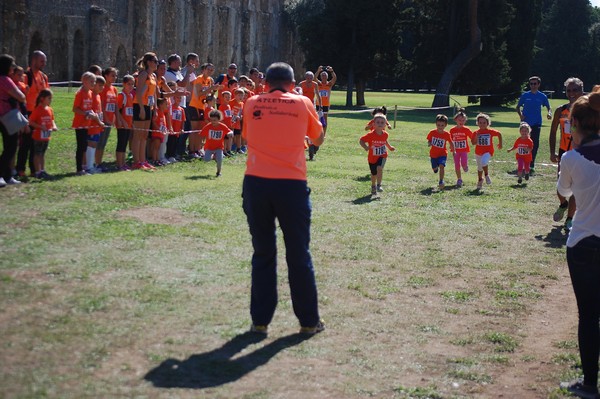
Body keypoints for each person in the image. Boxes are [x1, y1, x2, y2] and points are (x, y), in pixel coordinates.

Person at [241, 62, 325, 335]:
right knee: (298, 253)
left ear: (265, 83)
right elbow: (318, 139)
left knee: (263, 252)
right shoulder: (303, 102)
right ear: (292, 83)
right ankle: (309, 322)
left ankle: (261, 321)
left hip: (257, 183)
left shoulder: (252, 102)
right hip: (292, 185)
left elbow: (246, 135)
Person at [556, 91, 600, 399]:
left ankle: (589, 384)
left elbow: (565, 192)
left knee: (589, 315)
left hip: (584, 242)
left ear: (576, 124)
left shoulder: (572, 158)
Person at [549, 77, 584, 231]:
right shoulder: (560, 110)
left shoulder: (588, 110)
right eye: (568, 90)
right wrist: (552, 152)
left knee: (576, 187)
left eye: (575, 90)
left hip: (581, 153)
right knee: (560, 186)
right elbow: (552, 132)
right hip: (564, 152)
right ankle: (563, 204)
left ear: (581, 90)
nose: (571, 93)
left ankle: (570, 219)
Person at [17, 50, 49, 179]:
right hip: (28, 113)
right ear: (34, 60)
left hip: (40, 114)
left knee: (37, 144)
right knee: (25, 143)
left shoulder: (43, 77)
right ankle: (20, 169)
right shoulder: (26, 76)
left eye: (45, 61)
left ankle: (35, 170)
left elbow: (47, 95)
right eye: (42, 61)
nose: (44, 64)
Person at [516, 76, 552, 173]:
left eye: (535, 83)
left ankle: (531, 163)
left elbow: (549, 107)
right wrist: (521, 115)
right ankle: (523, 161)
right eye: (531, 84)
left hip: (536, 123)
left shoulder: (542, 96)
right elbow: (518, 107)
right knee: (524, 143)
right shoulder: (525, 95)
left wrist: (549, 113)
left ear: (538, 84)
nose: (533, 85)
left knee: (534, 143)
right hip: (525, 124)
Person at [0, 54, 27, 187]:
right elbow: (21, 96)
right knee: (11, 146)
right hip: (6, 115)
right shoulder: (5, 79)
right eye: (12, 65)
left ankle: (7, 175)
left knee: (9, 146)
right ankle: (2, 175)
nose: (13, 67)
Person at [72, 72, 103, 175]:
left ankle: (84, 167)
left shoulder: (90, 93)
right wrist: (85, 113)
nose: (93, 83)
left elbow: (89, 108)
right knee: (81, 147)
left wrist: (92, 114)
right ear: (84, 81)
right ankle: (79, 169)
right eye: (91, 81)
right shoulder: (80, 93)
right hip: (79, 124)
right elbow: (75, 109)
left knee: (84, 146)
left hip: (87, 124)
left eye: (94, 81)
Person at [132, 52, 159, 170]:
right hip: (140, 105)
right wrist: (142, 108)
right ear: (149, 62)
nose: (156, 64)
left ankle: (143, 160)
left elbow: (154, 94)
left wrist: (155, 108)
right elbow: (138, 92)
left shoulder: (154, 76)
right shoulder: (143, 74)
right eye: (155, 61)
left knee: (144, 135)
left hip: (149, 106)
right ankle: (136, 161)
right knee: (138, 135)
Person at [359, 113, 396, 195]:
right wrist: (365, 147)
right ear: (374, 124)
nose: (380, 124)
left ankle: (379, 185)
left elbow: (385, 141)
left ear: (385, 125)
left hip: (382, 155)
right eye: (378, 122)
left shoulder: (386, 134)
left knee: (379, 168)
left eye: (382, 122)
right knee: (373, 173)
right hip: (372, 157)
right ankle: (373, 186)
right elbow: (361, 140)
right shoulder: (370, 135)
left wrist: (389, 147)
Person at [28, 89, 57, 179]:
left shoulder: (50, 109)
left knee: (42, 154)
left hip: (46, 137)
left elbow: (52, 120)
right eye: (49, 98)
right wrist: (40, 127)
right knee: (37, 154)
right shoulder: (37, 110)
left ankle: (42, 170)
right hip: (38, 137)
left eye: (51, 99)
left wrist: (54, 126)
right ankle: (37, 172)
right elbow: (30, 122)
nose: (50, 101)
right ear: (42, 98)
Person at [472, 113, 503, 190]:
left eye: (484, 123)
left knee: (484, 162)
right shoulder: (476, 132)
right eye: (480, 123)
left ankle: (486, 175)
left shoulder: (490, 132)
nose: (482, 124)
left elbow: (499, 134)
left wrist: (500, 143)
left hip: (488, 151)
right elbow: (473, 143)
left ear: (487, 123)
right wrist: (476, 137)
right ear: (477, 123)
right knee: (479, 168)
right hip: (478, 152)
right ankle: (480, 180)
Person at [96, 67, 119, 169]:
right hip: (103, 120)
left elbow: (115, 105)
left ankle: (99, 163)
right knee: (99, 142)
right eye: (112, 75)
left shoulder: (114, 89)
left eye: (115, 75)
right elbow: (102, 104)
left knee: (103, 142)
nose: (114, 77)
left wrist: (114, 118)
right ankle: (96, 163)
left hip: (110, 119)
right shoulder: (103, 88)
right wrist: (105, 118)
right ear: (106, 76)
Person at [200, 109, 232, 176]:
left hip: (219, 147)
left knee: (220, 160)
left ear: (219, 119)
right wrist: (202, 143)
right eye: (211, 120)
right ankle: (213, 156)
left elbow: (230, 131)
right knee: (206, 159)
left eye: (214, 120)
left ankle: (218, 172)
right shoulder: (208, 126)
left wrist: (230, 133)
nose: (213, 122)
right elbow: (202, 134)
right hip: (209, 147)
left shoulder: (222, 126)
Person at [427, 114, 455, 190]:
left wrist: (453, 151)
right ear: (436, 124)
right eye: (438, 125)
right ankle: (435, 168)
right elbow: (429, 140)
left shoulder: (447, 134)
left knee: (442, 166)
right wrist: (429, 143)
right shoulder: (432, 132)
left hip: (442, 154)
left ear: (445, 125)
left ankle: (441, 181)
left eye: (442, 125)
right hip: (433, 154)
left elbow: (451, 142)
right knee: (435, 168)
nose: (440, 127)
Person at [449, 108, 473, 188]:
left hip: (464, 150)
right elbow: (450, 139)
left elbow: (472, 137)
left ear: (465, 121)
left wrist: (477, 138)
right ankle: (459, 179)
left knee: (463, 163)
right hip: (455, 151)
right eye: (460, 120)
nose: (461, 122)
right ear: (456, 120)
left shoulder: (466, 129)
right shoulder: (452, 130)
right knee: (457, 165)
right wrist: (452, 148)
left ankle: (465, 166)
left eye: (463, 120)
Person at [115, 74, 135, 171]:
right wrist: (123, 122)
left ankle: (123, 163)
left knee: (125, 144)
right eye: (128, 84)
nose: (130, 86)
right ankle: (119, 164)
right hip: (122, 125)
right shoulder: (121, 96)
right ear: (124, 84)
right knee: (121, 144)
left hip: (128, 124)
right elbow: (118, 111)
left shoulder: (130, 95)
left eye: (132, 84)